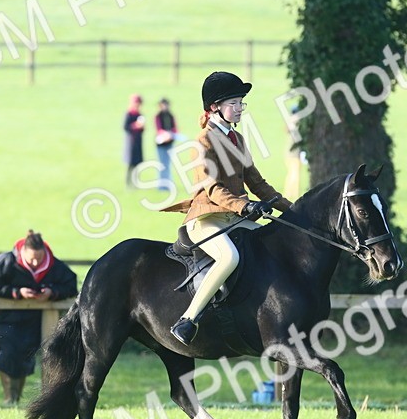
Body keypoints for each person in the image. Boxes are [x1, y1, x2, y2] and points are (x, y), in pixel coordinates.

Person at [161, 71, 292, 344]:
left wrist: (293, 210)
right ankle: (188, 320)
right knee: (229, 257)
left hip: (233, 217)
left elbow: (257, 183)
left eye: (241, 103)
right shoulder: (202, 142)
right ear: (214, 107)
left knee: (273, 244)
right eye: (234, 103)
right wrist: (244, 206)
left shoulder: (238, 139)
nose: (240, 108)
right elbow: (213, 188)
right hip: (205, 218)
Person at [0, 230, 79, 405]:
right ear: (23, 252)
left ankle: (16, 398)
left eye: (39, 258)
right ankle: (9, 397)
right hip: (4, 317)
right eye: (31, 259)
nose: (36, 263)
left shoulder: (55, 266)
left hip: (32, 319)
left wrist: (52, 292)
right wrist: (17, 292)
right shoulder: (6, 262)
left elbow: (71, 286)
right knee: (7, 353)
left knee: (25, 357)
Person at [153, 97, 179, 192]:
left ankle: (167, 184)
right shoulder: (158, 116)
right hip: (161, 144)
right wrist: (165, 134)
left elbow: (175, 128)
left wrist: (171, 134)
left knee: (167, 164)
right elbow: (158, 129)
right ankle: (161, 185)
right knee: (162, 164)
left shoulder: (171, 116)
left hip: (169, 143)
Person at [123, 94, 145, 188]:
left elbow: (142, 130)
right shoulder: (129, 114)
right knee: (130, 163)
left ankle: (136, 183)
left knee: (137, 164)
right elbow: (125, 127)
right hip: (131, 142)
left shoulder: (140, 115)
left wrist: (142, 127)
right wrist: (135, 125)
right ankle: (128, 183)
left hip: (138, 142)